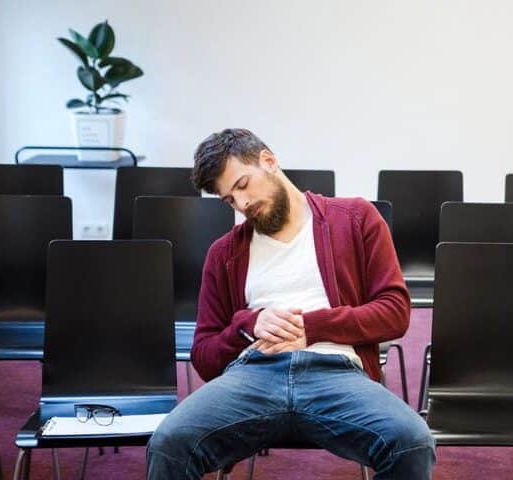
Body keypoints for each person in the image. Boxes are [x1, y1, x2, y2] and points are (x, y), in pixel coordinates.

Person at [146, 128, 435, 479]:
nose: (241, 204)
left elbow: (394, 312)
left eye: (241, 185)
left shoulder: (355, 218)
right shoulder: (224, 253)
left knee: (412, 442)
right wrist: (248, 326)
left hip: (337, 373)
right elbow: (204, 354)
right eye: (229, 200)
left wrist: (311, 328)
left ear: (268, 161)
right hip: (253, 374)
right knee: (168, 443)